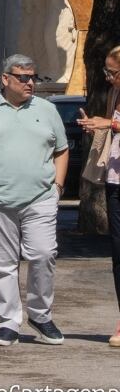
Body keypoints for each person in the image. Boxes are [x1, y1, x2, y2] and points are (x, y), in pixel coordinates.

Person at [0, 54, 69, 348]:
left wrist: (57, 187)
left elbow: (62, 149)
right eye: (23, 77)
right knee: (3, 263)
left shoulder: (47, 110)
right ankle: (8, 322)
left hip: (40, 198)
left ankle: (41, 315)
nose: (30, 82)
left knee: (43, 254)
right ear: (5, 79)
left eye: (33, 77)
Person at [76, 45, 120, 347]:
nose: (108, 77)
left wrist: (111, 123)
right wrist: (98, 127)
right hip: (116, 179)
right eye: (107, 71)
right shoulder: (114, 94)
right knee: (118, 255)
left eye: (113, 72)